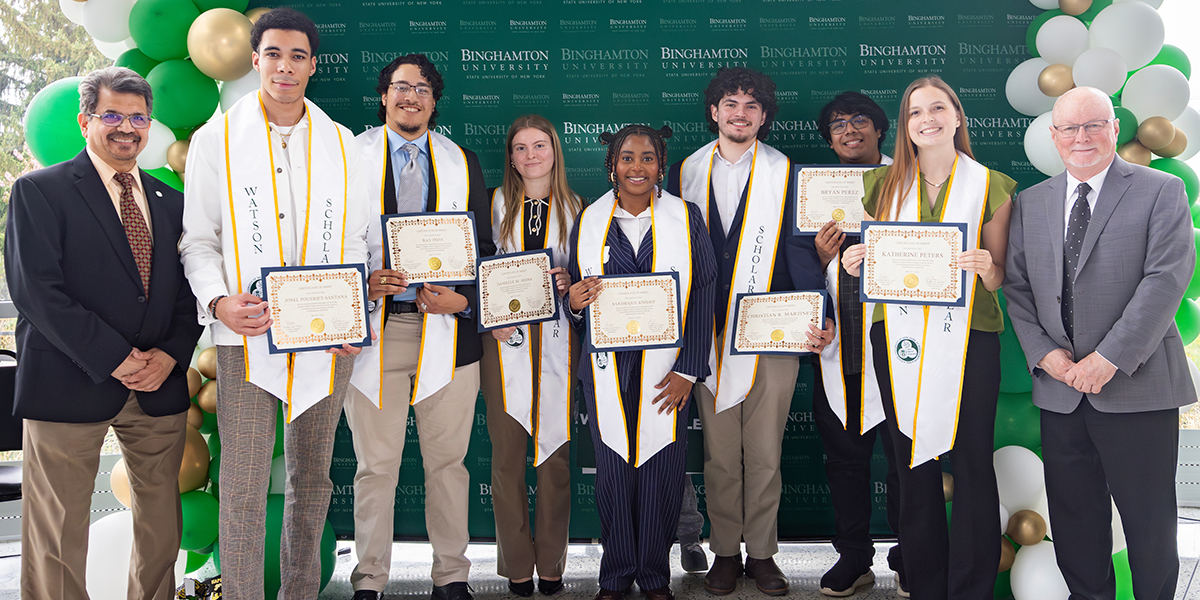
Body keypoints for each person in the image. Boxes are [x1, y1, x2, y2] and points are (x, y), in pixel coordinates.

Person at [179, 8, 369, 598]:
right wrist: (218, 304)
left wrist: (352, 317)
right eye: (273, 55)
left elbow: (358, 240)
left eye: (298, 57)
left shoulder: (343, 143)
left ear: (313, 65)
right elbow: (198, 241)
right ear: (256, 59)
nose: (285, 67)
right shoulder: (218, 140)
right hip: (245, 339)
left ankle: (299, 592)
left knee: (313, 479)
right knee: (242, 481)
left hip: (326, 337)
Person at [6, 66, 202, 600]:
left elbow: (189, 295)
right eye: (112, 114)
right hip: (68, 382)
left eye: (138, 117)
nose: (126, 127)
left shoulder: (171, 201)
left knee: (161, 528)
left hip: (158, 386)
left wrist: (171, 356)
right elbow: (37, 293)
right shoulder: (38, 191)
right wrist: (116, 357)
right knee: (58, 531)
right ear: (85, 120)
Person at [1004, 86, 1194, 600]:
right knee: (1075, 522)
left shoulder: (1160, 190)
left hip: (1136, 385)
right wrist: (1046, 355)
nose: (1081, 137)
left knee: (1149, 522)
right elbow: (1017, 289)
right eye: (1069, 128)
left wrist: (1108, 358)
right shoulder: (1030, 201)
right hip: (1061, 390)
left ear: (1114, 128)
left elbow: (1166, 279)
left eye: (1093, 125)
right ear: (1054, 136)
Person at [841, 76, 1015, 600]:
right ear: (906, 126)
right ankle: (924, 584)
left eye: (937, 107)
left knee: (971, 464)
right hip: (897, 339)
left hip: (971, 341)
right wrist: (855, 260)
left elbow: (1001, 274)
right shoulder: (881, 186)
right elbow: (873, 263)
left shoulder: (993, 184)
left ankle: (970, 587)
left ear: (957, 117)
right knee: (911, 463)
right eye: (916, 112)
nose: (927, 118)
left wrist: (987, 267)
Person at [664, 67, 833, 597]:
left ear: (764, 116)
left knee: (764, 452)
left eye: (752, 105)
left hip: (772, 339)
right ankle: (725, 552)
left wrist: (818, 313)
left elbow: (804, 257)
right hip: (704, 340)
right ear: (714, 111)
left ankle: (762, 554)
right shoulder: (681, 173)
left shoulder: (790, 174)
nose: (741, 113)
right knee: (717, 455)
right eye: (730, 103)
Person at [346, 53, 492, 600]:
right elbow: (324, 239)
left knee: (449, 464)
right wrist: (362, 283)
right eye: (402, 87)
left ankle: (451, 576)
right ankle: (369, 581)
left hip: (448, 335)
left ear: (435, 100)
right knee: (375, 467)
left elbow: (485, 251)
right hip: (374, 332)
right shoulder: (346, 156)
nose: (412, 96)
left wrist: (464, 299)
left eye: (424, 88)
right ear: (384, 95)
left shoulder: (463, 162)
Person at [567, 124, 716, 600]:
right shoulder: (589, 220)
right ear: (612, 164)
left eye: (647, 158)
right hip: (607, 370)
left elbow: (704, 294)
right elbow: (574, 296)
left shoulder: (684, 216)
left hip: (668, 368)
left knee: (661, 472)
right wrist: (572, 302)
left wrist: (689, 369)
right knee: (612, 473)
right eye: (627, 158)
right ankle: (614, 576)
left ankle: (653, 577)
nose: (637, 167)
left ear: (661, 165)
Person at [478, 115, 581, 597]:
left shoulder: (577, 207)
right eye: (520, 148)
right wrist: (488, 309)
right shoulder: (493, 204)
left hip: (559, 339)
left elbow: (588, 278)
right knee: (506, 459)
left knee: (556, 460)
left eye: (540, 145)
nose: (530, 155)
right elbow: (473, 265)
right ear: (511, 156)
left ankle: (553, 563)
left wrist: (569, 282)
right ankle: (518, 565)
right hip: (503, 341)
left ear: (555, 151)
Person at [810, 91, 904, 597]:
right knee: (845, 463)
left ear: (880, 129)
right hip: (836, 346)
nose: (849, 130)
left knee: (905, 459)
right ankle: (854, 557)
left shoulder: (908, 181)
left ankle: (910, 554)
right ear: (829, 138)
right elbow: (793, 269)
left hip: (899, 347)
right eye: (839, 124)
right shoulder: (815, 192)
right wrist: (823, 257)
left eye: (860, 120)